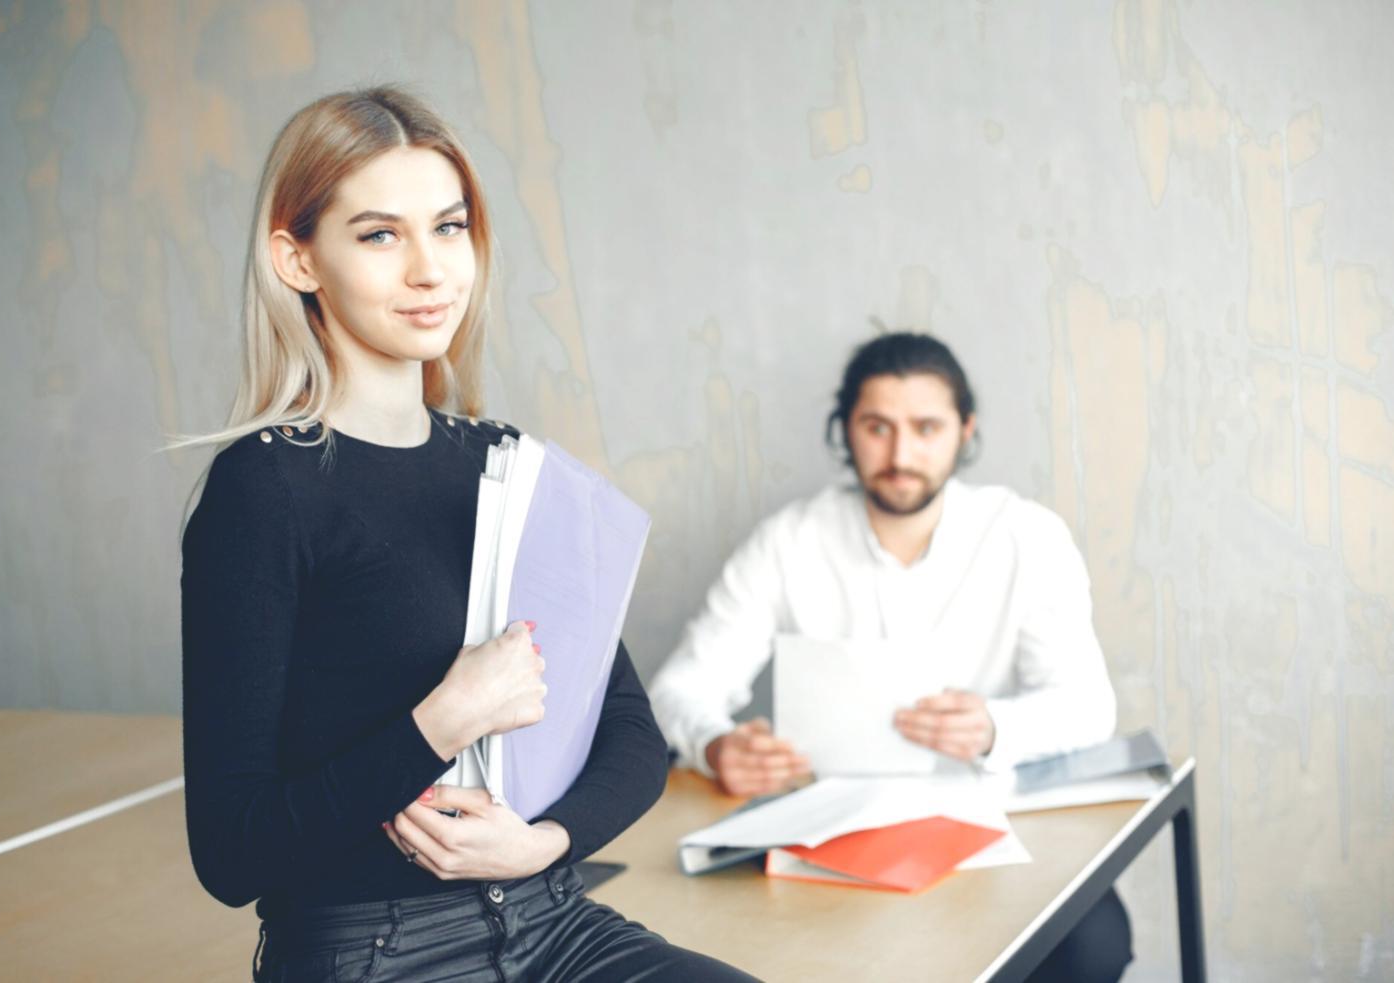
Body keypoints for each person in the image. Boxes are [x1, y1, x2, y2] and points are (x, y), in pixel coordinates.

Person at [179, 85, 755, 983]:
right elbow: (231, 851)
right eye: (379, 235)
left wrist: (543, 844)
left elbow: (635, 733)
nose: (430, 270)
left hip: (554, 918)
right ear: (297, 259)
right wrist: (440, 721)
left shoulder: (507, 465)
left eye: (449, 228)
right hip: (372, 953)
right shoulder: (264, 489)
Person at [648, 331, 1133, 981]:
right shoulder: (789, 541)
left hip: (988, 822)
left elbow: (1087, 706)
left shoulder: (1027, 536)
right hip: (829, 834)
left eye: (926, 427)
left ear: (965, 430)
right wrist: (715, 745)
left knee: (1091, 942)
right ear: (845, 430)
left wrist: (994, 726)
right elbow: (679, 689)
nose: (901, 454)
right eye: (877, 427)